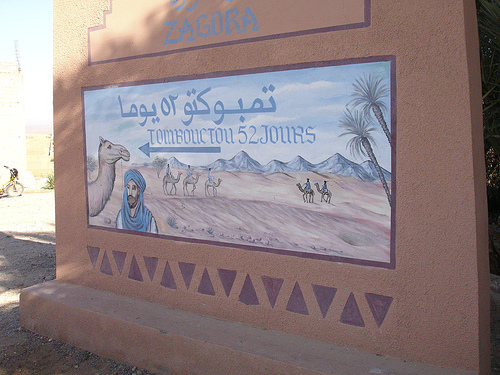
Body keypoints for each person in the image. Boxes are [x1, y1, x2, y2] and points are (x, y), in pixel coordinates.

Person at [116, 169, 158, 233]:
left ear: (138, 191)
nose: (130, 193)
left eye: (133, 188)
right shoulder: (121, 216)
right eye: (128, 187)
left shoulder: (149, 219)